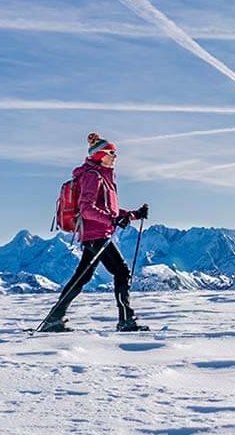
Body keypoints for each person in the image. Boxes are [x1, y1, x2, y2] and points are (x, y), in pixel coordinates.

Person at [40, 133, 150, 332]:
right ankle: (126, 320)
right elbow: (86, 208)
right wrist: (112, 220)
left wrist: (134, 214)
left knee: (82, 276)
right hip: (96, 234)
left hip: (96, 234)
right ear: (100, 154)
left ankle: (54, 318)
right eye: (111, 152)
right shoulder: (93, 176)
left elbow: (111, 210)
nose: (115, 156)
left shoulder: (102, 176)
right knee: (122, 272)